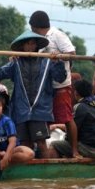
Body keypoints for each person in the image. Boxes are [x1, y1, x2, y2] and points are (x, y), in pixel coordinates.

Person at [0, 30, 67, 158]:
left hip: (40, 110)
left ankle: (47, 172)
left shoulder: (47, 62)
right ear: (22, 46)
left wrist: (58, 62)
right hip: (21, 110)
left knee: (41, 143)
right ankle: (29, 173)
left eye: (33, 44)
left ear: (36, 46)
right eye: (28, 44)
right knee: (25, 144)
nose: (30, 47)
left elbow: (60, 78)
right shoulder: (15, 63)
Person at [29, 10, 79, 158]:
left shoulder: (57, 35)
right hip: (45, 85)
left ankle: (74, 150)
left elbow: (72, 53)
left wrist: (58, 57)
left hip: (61, 84)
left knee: (67, 117)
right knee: (44, 117)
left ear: (34, 26)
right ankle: (45, 151)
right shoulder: (37, 39)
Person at [49, 79, 95, 158]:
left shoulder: (79, 106)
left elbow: (72, 129)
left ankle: (56, 170)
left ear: (76, 92)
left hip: (89, 149)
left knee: (54, 145)